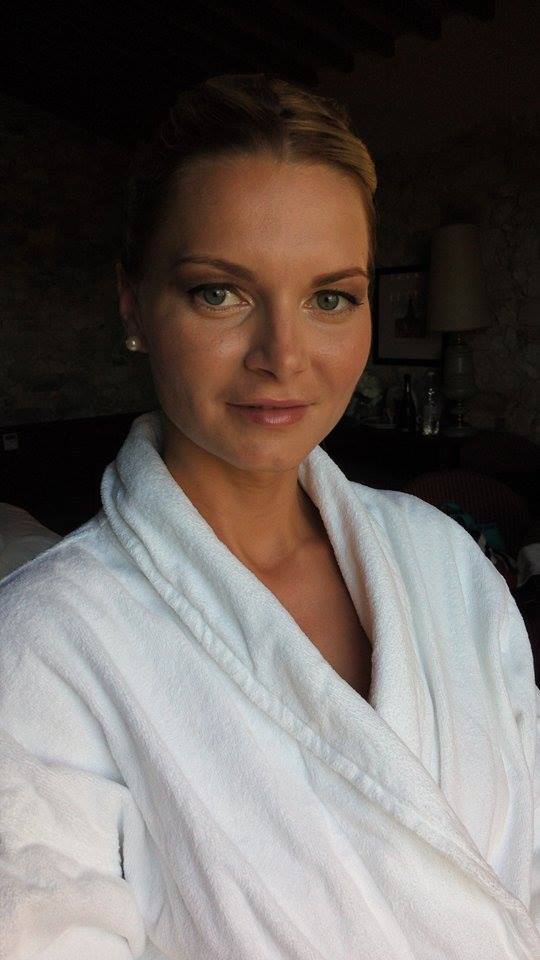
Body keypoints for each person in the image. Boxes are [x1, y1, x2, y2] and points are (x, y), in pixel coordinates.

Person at [0, 73, 539, 960]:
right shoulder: (44, 647)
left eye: (330, 298)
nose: (283, 357)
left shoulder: (445, 560)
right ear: (134, 305)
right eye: (221, 292)